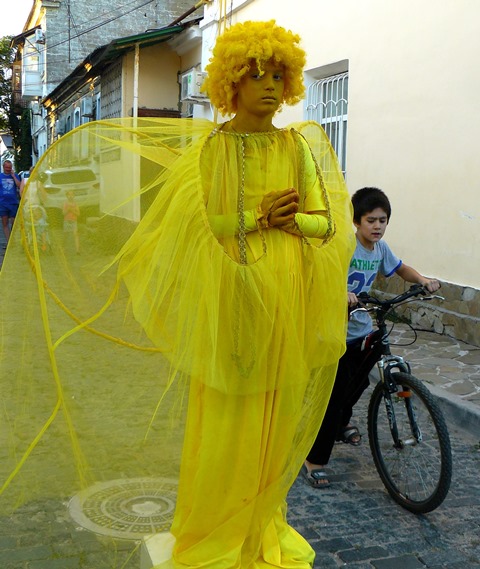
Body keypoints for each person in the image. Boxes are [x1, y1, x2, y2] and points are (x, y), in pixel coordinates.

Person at [0, 20, 354, 569]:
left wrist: (292, 223)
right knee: (228, 414)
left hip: (286, 293)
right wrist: (257, 218)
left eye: (275, 75)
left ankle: (260, 522)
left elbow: (328, 224)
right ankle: (216, 525)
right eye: (254, 75)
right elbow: (190, 227)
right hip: (231, 293)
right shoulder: (210, 149)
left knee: (274, 414)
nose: (267, 85)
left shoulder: (299, 146)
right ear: (231, 82)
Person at [303, 186, 440, 488]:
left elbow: (400, 268)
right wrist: (340, 293)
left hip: (361, 325)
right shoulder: (345, 245)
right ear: (356, 221)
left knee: (360, 380)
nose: (377, 226)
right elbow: (321, 275)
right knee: (335, 393)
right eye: (371, 220)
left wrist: (422, 280)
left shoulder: (380, 249)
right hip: (336, 330)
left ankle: (341, 425)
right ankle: (314, 460)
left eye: (383, 220)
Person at [0, 160, 21, 244]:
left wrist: (13, 176)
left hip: (13, 203)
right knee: (5, 223)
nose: (8, 169)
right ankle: (9, 243)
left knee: (14, 223)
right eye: (7, 167)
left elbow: (19, 185)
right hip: (3, 203)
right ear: (3, 167)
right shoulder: (0, 176)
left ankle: (13, 239)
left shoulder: (15, 175)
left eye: (10, 167)